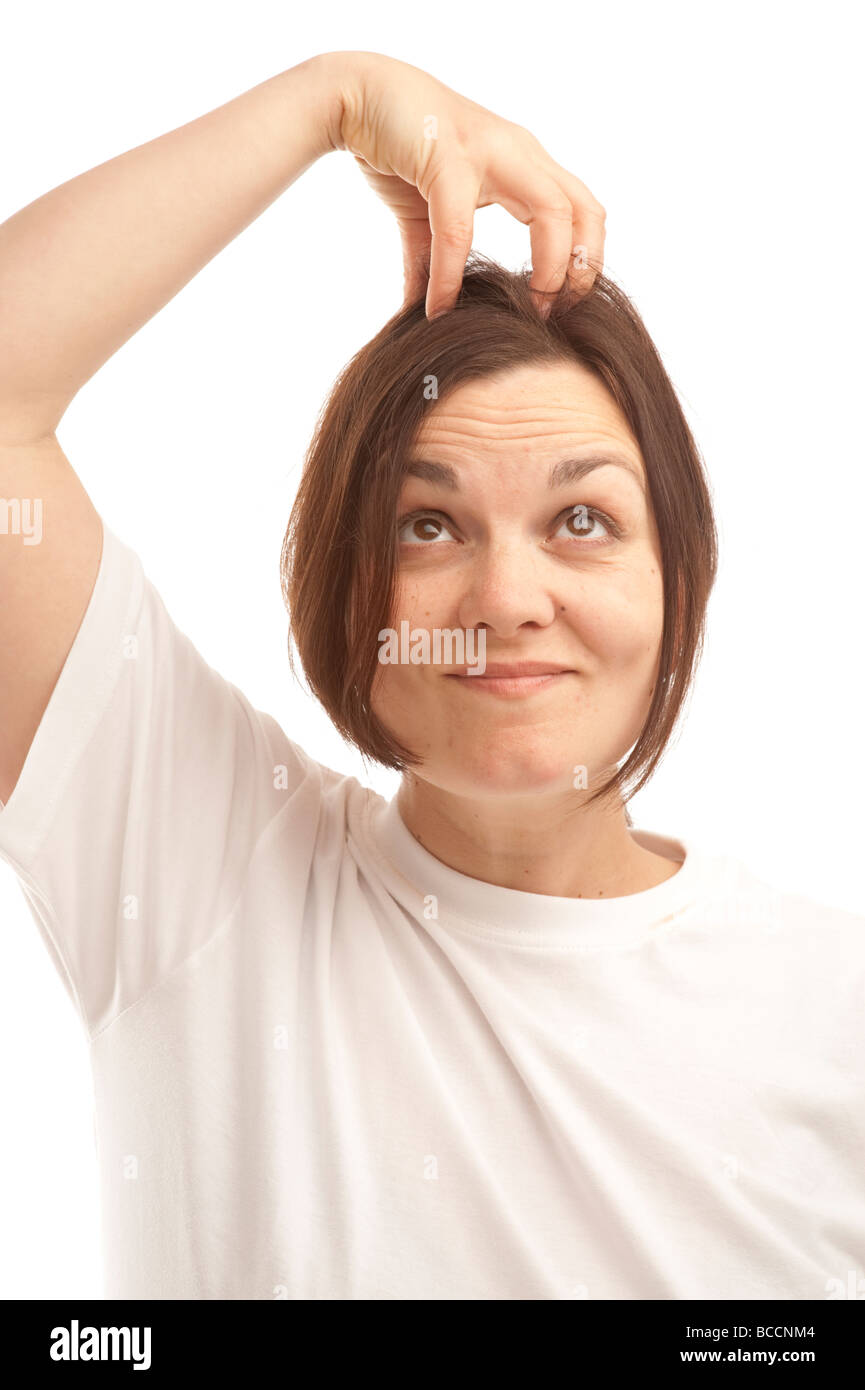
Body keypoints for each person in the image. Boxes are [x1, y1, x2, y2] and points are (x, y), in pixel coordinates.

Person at [0, 50, 862, 1302]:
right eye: (427, 524)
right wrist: (331, 99)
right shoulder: (200, 875)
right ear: (340, 583)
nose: (506, 601)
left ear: (678, 580)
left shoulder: (833, 1003)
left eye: (581, 521)